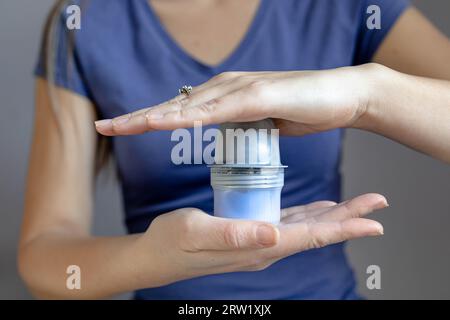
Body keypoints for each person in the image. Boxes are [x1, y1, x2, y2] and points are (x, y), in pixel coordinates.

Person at [19, 0, 450, 299]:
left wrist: (367, 94)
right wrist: (152, 258)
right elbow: (45, 261)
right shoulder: (85, 22)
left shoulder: (342, 8)